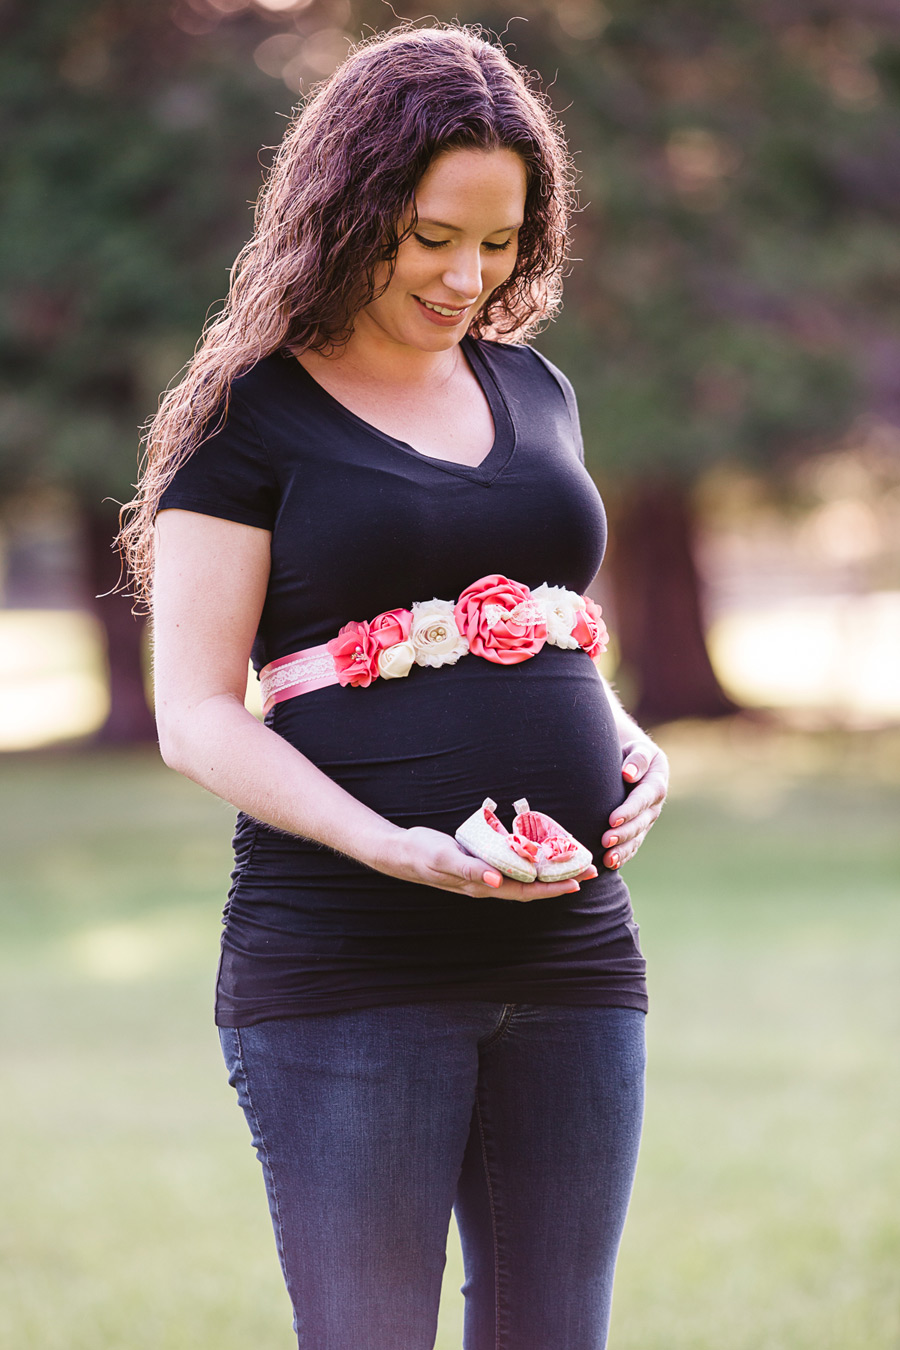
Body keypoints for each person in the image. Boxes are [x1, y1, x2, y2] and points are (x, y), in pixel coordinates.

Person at [121, 22, 669, 1350]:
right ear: (351, 203)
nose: (468, 275)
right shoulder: (248, 418)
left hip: (572, 953)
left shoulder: (536, 391)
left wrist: (631, 741)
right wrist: (386, 842)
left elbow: (547, 628)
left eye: (499, 240)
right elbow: (194, 712)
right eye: (432, 235)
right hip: (345, 963)